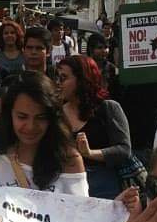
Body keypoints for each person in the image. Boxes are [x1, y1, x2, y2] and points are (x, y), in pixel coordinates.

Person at [0, 72, 88, 195]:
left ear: (52, 118)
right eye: (22, 117)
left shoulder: (68, 160)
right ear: (9, 115)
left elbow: (82, 211)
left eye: (40, 117)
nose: (31, 127)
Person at [57, 55, 132, 200]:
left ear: (81, 80)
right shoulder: (56, 113)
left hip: (105, 188)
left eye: (63, 78)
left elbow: (123, 149)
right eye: (58, 78)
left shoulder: (108, 108)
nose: (58, 83)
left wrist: (90, 153)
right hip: (66, 187)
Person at [85, 33, 119, 97]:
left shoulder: (111, 68)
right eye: (100, 47)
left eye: (106, 47)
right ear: (91, 50)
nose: (104, 51)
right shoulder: (84, 68)